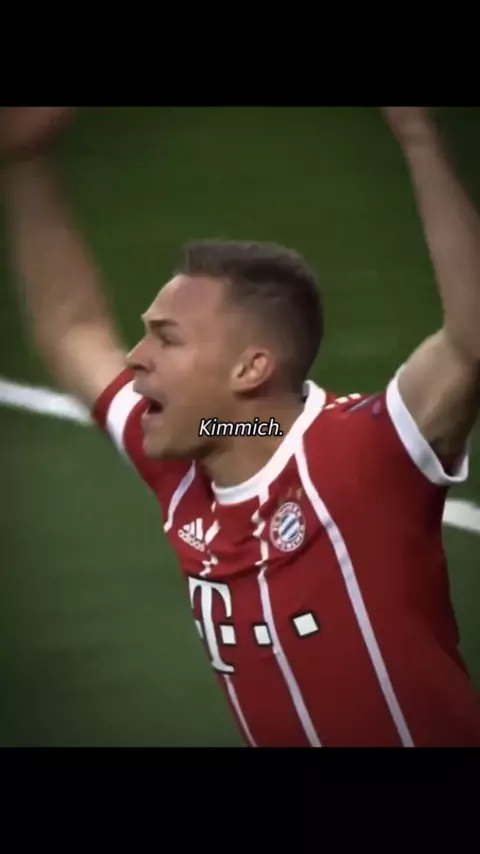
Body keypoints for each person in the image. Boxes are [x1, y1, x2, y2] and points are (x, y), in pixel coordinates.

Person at [1, 106, 480, 747]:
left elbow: (471, 345)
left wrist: (419, 136)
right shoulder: (183, 455)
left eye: (166, 339)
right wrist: (21, 165)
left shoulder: (366, 451)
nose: (136, 358)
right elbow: (71, 330)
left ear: (251, 368)